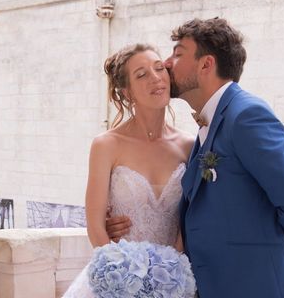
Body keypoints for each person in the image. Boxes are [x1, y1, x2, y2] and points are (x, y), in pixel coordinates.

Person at [107, 18, 284, 298]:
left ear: (206, 64)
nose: (167, 63)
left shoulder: (246, 116)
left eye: (178, 53)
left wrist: (261, 244)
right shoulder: (206, 127)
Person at [63, 43, 194, 297]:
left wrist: (172, 276)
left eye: (159, 68)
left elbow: (191, 219)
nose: (156, 78)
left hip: (171, 282)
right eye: (142, 74)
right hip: (118, 283)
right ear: (127, 92)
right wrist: (123, 284)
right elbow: (95, 225)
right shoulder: (106, 145)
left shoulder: (188, 146)